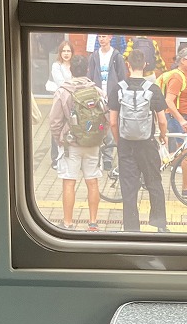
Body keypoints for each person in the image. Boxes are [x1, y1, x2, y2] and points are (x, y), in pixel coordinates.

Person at [108, 49, 170, 232]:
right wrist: (163, 135)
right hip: (147, 144)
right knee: (154, 183)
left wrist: (120, 141)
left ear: (128, 65)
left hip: (126, 145)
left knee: (128, 189)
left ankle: (131, 229)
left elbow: (113, 122)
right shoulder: (153, 89)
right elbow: (162, 120)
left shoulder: (118, 88)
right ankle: (160, 225)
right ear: (144, 65)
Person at [47, 75, 106, 229]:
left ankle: (68, 223)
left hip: (70, 145)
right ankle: (93, 223)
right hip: (93, 144)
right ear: (87, 70)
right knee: (92, 182)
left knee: (69, 182)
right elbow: (105, 116)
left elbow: (54, 121)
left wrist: (60, 139)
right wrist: (100, 136)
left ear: (71, 71)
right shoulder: (97, 91)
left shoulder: (63, 92)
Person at [158, 46, 187, 199]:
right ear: (182, 61)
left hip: (185, 117)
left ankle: (155, 163)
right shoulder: (177, 77)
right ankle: (186, 188)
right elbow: (168, 101)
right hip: (175, 118)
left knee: (182, 153)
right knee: (185, 154)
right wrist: (181, 120)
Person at [86, 34, 127, 176]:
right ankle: (95, 157)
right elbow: (90, 78)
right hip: (97, 98)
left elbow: (122, 78)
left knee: (110, 127)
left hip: (112, 98)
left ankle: (108, 157)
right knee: (97, 127)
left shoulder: (117, 56)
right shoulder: (93, 56)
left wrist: (118, 96)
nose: (101, 39)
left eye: (104, 36)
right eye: (99, 37)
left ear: (110, 37)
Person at [45, 40, 76, 169]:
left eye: (68, 51)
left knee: (71, 128)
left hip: (73, 102)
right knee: (57, 127)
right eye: (64, 51)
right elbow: (61, 83)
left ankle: (69, 156)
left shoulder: (75, 65)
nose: (66, 53)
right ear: (60, 52)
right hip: (60, 101)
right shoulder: (56, 66)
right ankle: (55, 158)